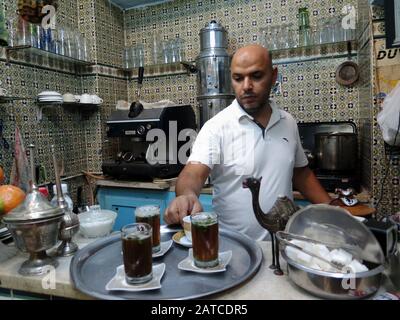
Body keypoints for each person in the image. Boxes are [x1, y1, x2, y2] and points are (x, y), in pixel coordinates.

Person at [164, 44, 331, 240]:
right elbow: (193, 173)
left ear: (273, 76)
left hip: (283, 245)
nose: (246, 86)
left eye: (256, 76)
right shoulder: (217, 127)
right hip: (235, 248)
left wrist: (333, 208)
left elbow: (300, 173)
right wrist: (187, 195)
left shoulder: (288, 122)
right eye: (238, 78)